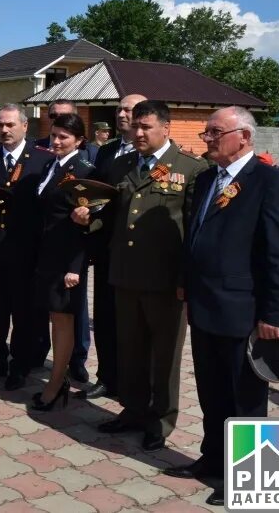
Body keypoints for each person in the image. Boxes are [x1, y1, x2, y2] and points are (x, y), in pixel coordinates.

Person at [163, 107, 279, 507]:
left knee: (246, 397)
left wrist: (275, 314)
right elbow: (197, 239)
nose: (206, 138)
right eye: (206, 131)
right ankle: (213, 458)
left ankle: (253, 478)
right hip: (205, 305)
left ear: (243, 136)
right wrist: (186, 284)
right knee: (212, 390)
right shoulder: (207, 179)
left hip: (245, 310)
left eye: (214, 132)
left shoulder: (270, 183)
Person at [77, 101, 207, 450]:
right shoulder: (121, 163)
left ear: (166, 127)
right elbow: (114, 214)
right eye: (135, 126)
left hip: (165, 281)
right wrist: (90, 218)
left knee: (163, 357)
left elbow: (194, 230)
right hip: (124, 274)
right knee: (130, 350)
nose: (137, 133)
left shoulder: (191, 168)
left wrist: (185, 280)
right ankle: (132, 410)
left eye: (146, 127)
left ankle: (160, 421)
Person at [0, 104, 53, 388]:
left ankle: (20, 365)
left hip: (26, 249)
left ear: (24, 126)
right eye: (1, 125)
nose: (4, 130)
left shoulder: (42, 160)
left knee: (23, 310)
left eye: (10, 125)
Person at [81, 93, 146, 400]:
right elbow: (97, 195)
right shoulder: (105, 152)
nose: (122, 114)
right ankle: (107, 376)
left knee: (134, 325)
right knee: (105, 317)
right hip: (108, 249)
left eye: (129, 110)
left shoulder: (157, 157)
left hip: (139, 256)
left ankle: (134, 386)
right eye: (120, 108)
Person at [28, 113, 94, 410]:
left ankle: (56, 385)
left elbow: (84, 225)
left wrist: (75, 267)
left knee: (63, 321)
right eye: (54, 135)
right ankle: (58, 378)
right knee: (54, 317)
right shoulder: (49, 165)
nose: (56, 141)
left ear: (79, 140)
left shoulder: (83, 171)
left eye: (64, 137)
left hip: (66, 260)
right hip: (46, 256)